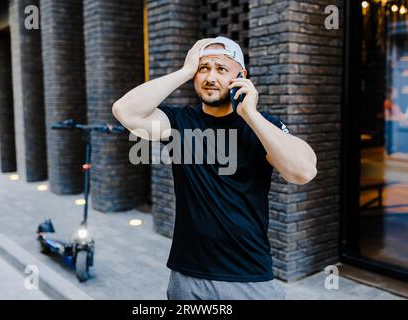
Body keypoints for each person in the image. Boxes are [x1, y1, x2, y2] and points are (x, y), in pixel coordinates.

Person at [112, 37, 317, 300]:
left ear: (240, 76)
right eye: (203, 68)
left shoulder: (262, 125)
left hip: (248, 277)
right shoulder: (179, 122)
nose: (210, 77)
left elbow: (302, 172)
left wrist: (251, 115)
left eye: (221, 69)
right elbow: (125, 111)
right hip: (188, 278)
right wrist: (185, 70)